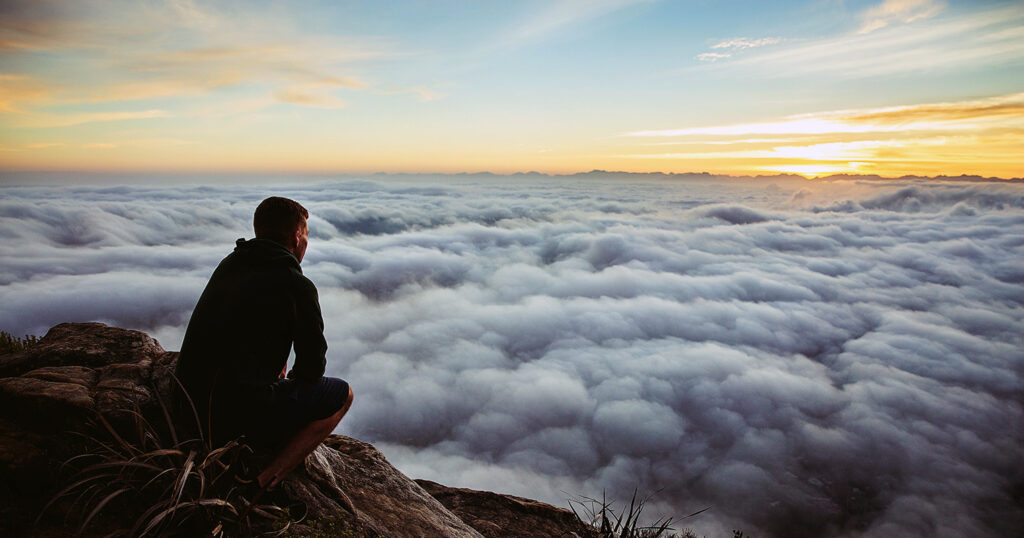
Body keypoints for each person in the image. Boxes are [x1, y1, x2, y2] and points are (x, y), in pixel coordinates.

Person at [175, 196, 353, 489]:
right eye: (305, 236)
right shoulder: (296, 285)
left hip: (188, 407)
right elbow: (311, 369)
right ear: (297, 238)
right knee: (342, 395)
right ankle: (262, 481)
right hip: (234, 419)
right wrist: (288, 381)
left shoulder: (231, 264)